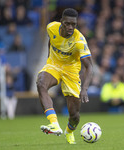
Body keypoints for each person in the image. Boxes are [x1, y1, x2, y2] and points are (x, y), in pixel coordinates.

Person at [36, 8, 93, 144]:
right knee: (41, 84)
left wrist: (84, 89)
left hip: (71, 71)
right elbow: (51, 41)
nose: (70, 27)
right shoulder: (51, 27)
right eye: (67, 23)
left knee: (74, 115)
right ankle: (54, 123)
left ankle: (69, 131)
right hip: (54, 64)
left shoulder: (79, 40)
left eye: (73, 24)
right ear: (61, 21)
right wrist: (49, 59)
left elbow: (89, 66)